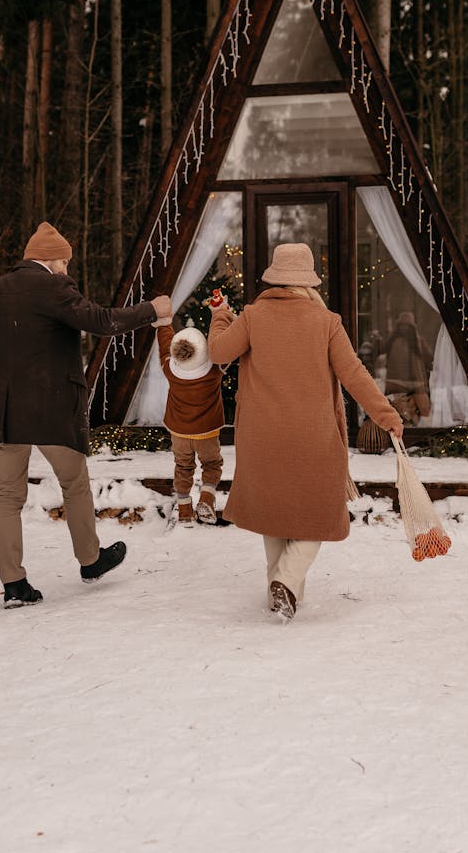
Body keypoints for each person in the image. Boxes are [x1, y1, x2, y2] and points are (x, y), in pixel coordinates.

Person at [0, 221, 172, 608]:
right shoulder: (55, 287)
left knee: (7, 497)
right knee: (75, 486)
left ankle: (14, 585)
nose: (68, 269)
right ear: (51, 259)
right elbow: (102, 322)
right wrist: (150, 311)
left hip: (5, 413)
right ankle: (90, 561)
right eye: (66, 262)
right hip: (53, 408)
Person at [207, 242, 403, 620]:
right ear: (309, 282)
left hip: (260, 436)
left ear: (274, 278)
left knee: (273, 509)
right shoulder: (326, 322)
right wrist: (385, 414)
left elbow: (218, 353)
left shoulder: (251, 316)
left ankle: (280, 589)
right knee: (320, 510)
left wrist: (220, 316)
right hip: (313, 436)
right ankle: (288, 579)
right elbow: (355, 375)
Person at [157, 318, 226, 524]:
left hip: (179, 433)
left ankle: (185, 510)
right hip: (207, 433)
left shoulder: (169, 369)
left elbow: (164, 340)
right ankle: (206, 498)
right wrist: (219, 313)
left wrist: (164, 321)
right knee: (212, 465)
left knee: (183, 467)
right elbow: (223, 342)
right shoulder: (215, 370)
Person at [383, 310, 434, 424]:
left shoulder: (418, 342)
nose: (404, 328)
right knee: (401, 414)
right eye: (402, 325)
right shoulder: (394, 342)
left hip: (416, 384)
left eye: (407, 325)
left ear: (411, 327)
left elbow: (429, 358)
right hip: (399, 385)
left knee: (419, 412)